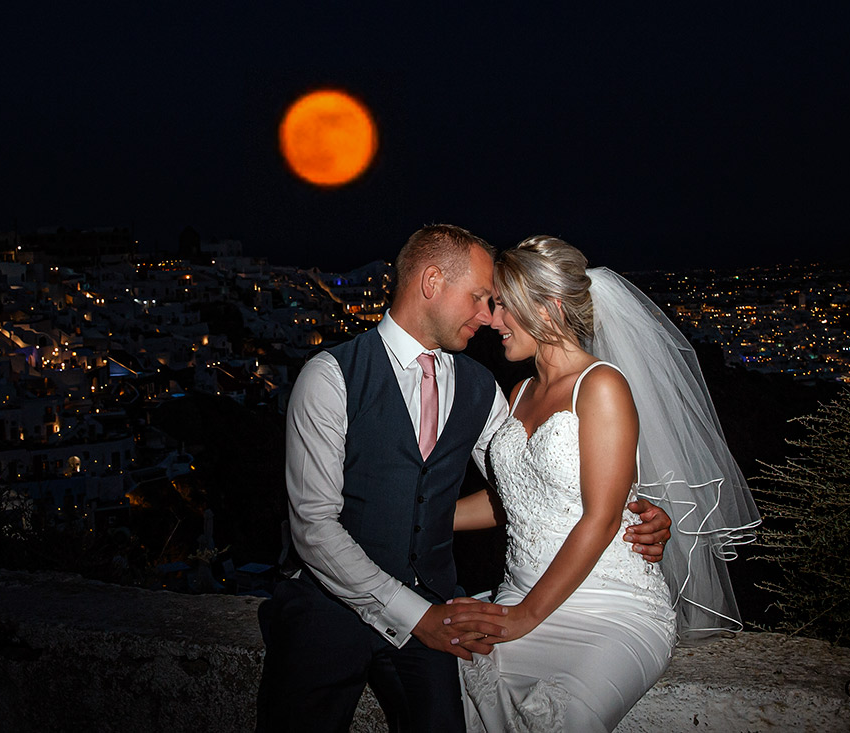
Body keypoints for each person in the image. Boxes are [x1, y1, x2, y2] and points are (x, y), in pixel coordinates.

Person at [255, 225, 672, 733]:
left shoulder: (484, 388)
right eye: (479, 297)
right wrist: (416, 601)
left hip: (441, 612)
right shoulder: (331, 375)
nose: (487, 315)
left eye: (495, 301)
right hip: (331, 607)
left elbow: (540, 484)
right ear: (431, 281)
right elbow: (314, 527)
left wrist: (638, 509)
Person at [451, 236, 761, 732]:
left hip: (609, 608)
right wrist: (424, 513)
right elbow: (513, 503)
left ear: (548, 309)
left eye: (504, 305)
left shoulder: (602, 386)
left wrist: (524, 617)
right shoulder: (519, 393)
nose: (493, 319)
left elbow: (602, 515)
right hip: (519, 594)